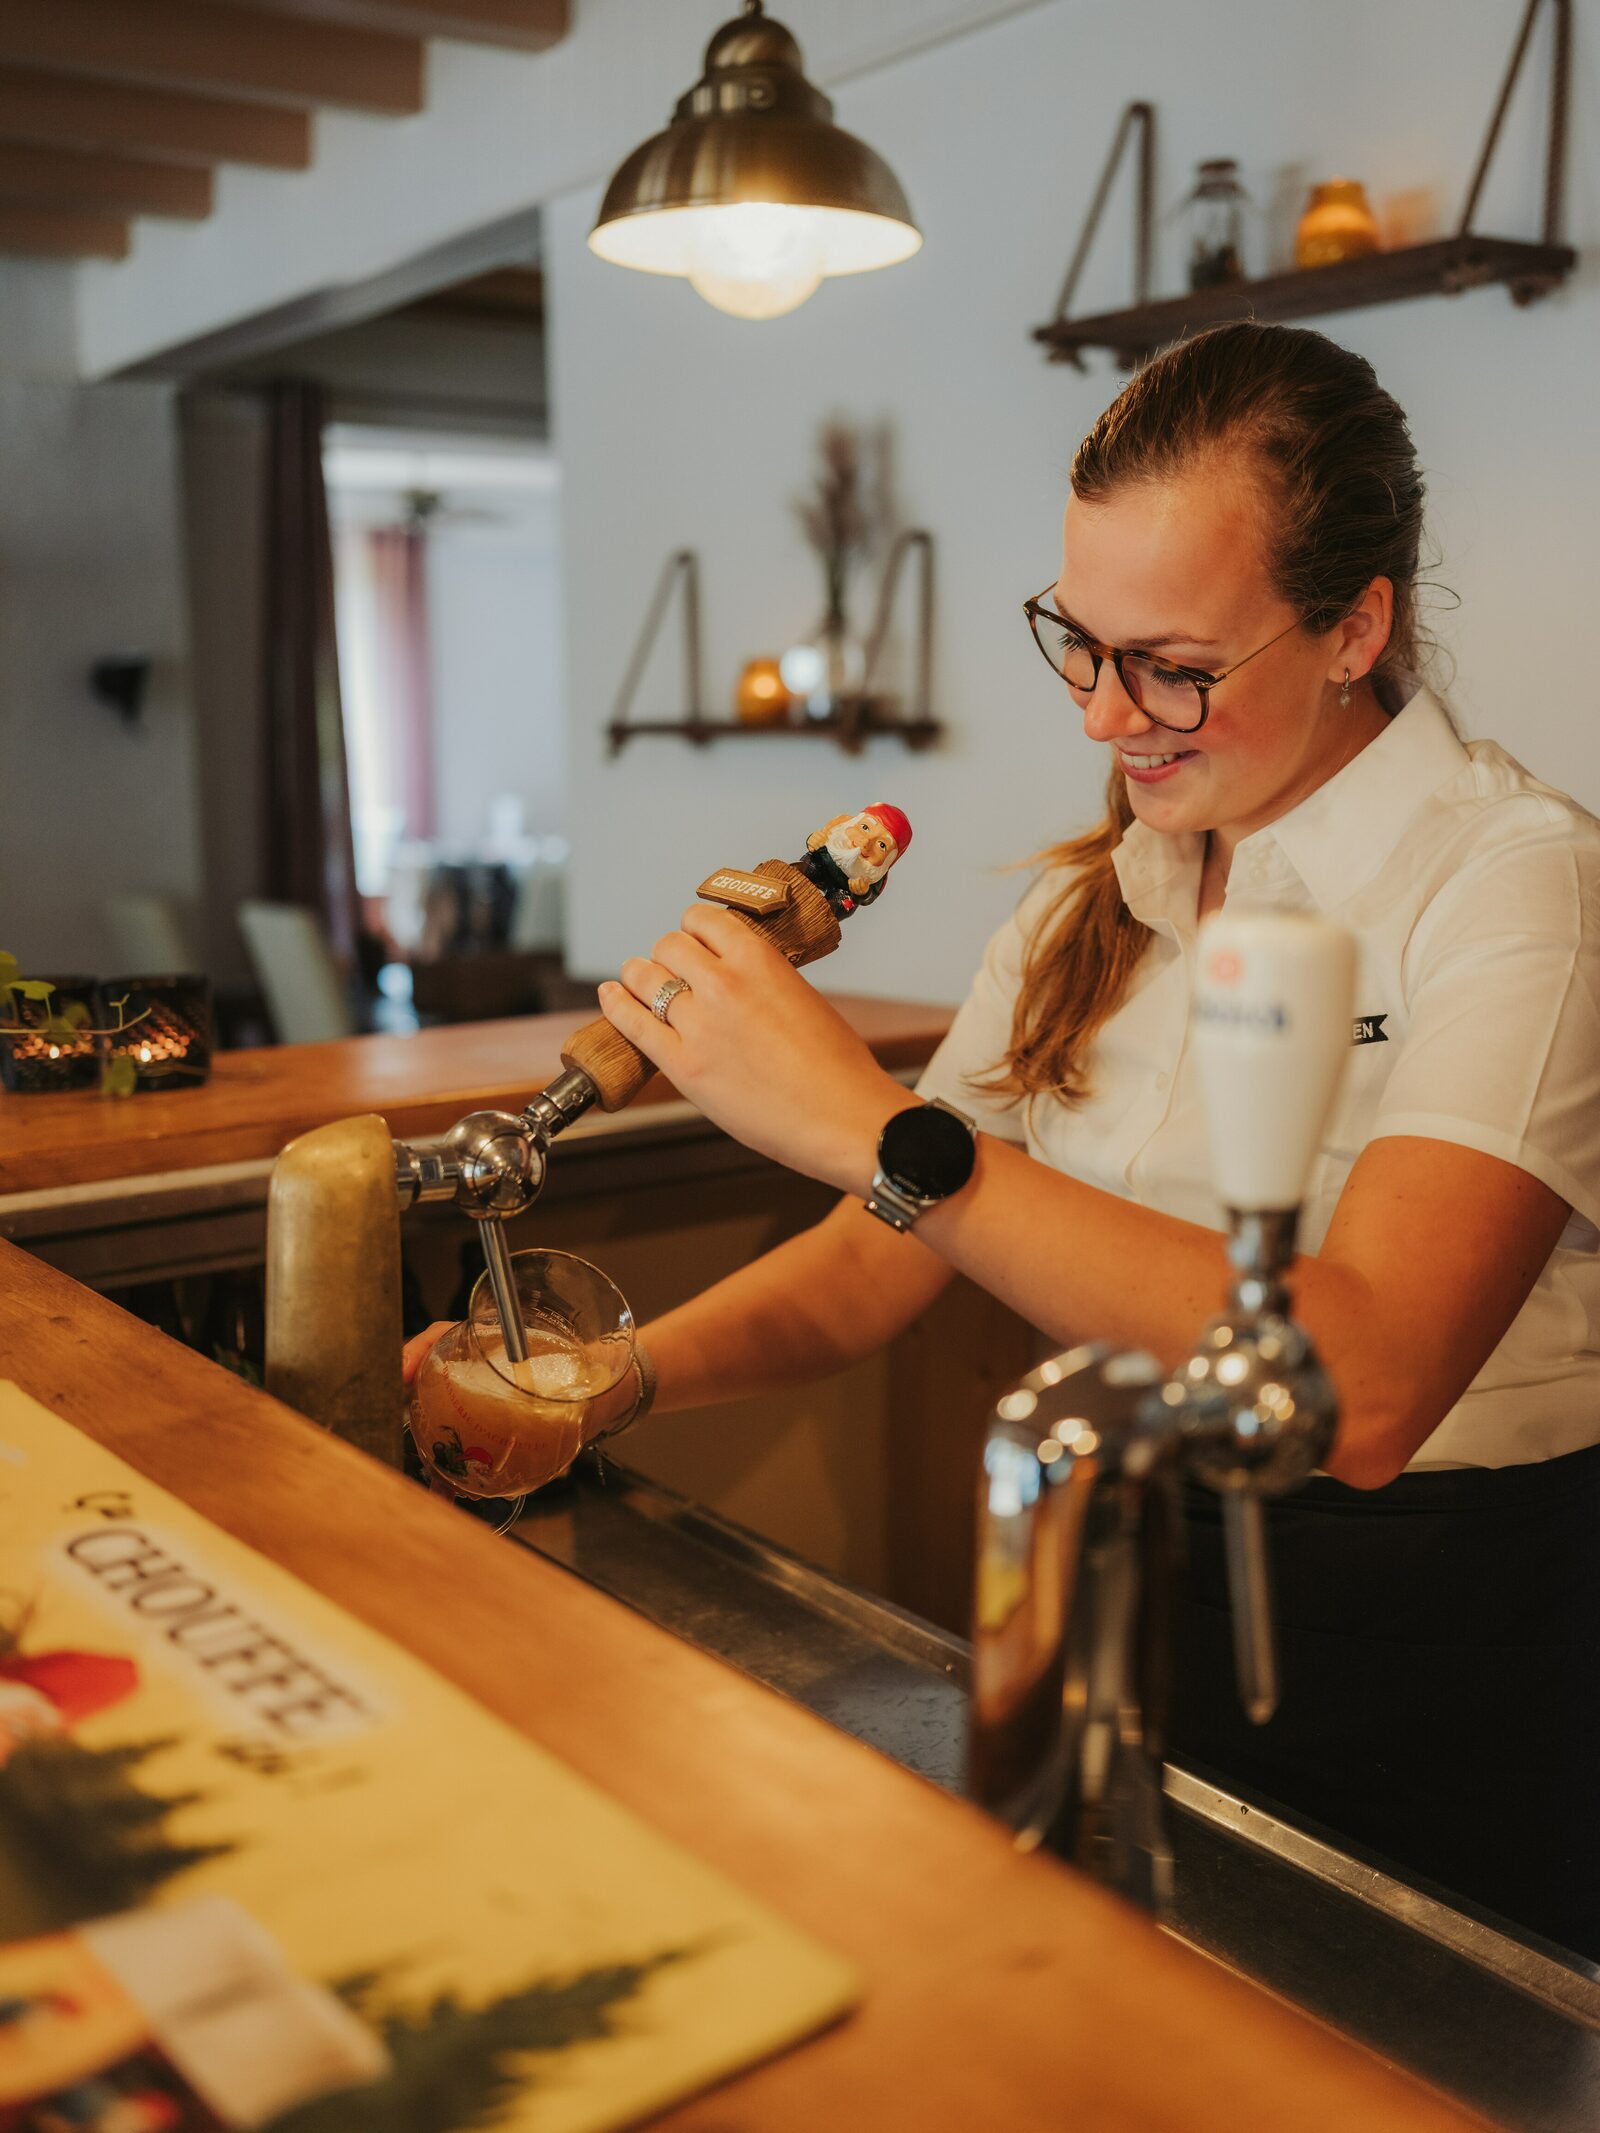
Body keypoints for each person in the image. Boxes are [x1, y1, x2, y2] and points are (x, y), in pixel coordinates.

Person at [406, 322, 1600, 1956]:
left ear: (1354, 626)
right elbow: (880, 1261)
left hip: (1432, 1628)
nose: (1110, 717)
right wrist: (616, 1379)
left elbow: (1371, 1383)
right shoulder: (1081, 909)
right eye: (1079, 644)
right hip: (1099, 1567)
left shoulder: (1517, 885)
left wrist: (872, 1123)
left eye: (1173, 663)